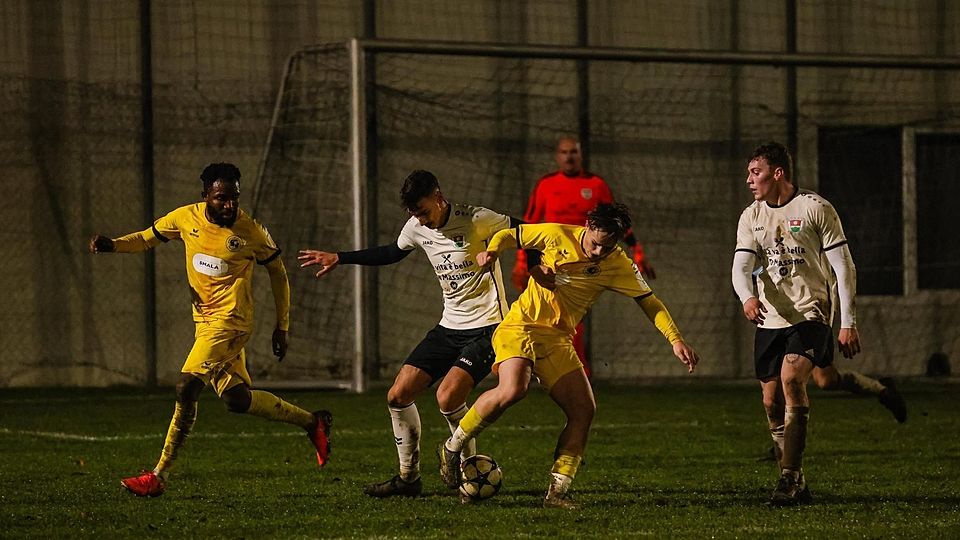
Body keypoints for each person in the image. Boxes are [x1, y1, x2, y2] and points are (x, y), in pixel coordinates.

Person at [89, 162, 331, 497]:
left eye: (234, 197)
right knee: (236, 400)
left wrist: (282, 326)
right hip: (204, 324)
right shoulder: (185, 218)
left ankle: (158, 475)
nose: (229, 205)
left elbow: (279, 273)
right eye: (221, 198)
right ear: (205, 197)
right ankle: (312, 422)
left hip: (232, 324)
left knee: (186, 386)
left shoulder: (251, 232)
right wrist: (113, 244)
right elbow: (147, 238)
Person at [438, 202, 700, 509]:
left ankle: (557, 492)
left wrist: (675, 340)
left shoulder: (618, 264)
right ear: (587, 226)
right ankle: (453, 447)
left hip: (558, 339)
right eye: (595, 243)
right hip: (520, 326)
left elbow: (649, 301)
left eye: (608, 246)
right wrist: (492, 252)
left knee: (583, 410)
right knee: (513, 388)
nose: (599, 252)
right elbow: (510, 235)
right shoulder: (556, 234)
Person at [299, 170, 530, 500]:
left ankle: (466, 470)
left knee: (448, 397)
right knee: (397, 394)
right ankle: (409, 479)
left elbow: (529, 232)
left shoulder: (478, 219)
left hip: (488, 327)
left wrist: (538, 271)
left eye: (423, 211)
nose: (420, 220)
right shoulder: (417, 227)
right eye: (414, 215)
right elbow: (392, 251)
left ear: (438, 196)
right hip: (448, 327)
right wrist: (341, 258)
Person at [731, 142, 905, 506]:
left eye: (755, 172)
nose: (749, 180)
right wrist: (748, 296)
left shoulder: (815, 208)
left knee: (793, 378)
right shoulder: (751, 216)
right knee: (786, 394)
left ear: (777, 173)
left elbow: (844, 267)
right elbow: (741, 265)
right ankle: (879, 390)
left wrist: (847, 322)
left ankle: (789, 478)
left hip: (812, 313)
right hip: (772, 319)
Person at [514, 136, 655, 377]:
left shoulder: (596, 185)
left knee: (570, 319)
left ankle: (572, 372)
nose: (569, 157)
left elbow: (616, 223)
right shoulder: (546, 185)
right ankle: (540, 366)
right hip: (551, 261)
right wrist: (523, 263)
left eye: (574, 152)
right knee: (542, 315)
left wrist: (637, 250)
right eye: (564, 152)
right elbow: (528, 225)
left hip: (587, 263)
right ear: (557, 156)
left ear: (581, 155)